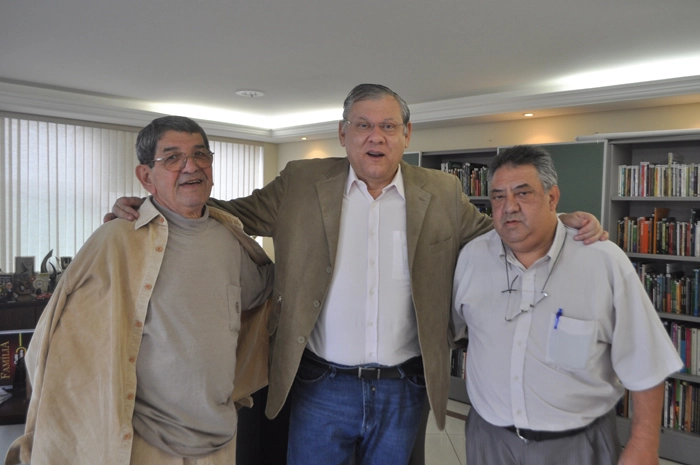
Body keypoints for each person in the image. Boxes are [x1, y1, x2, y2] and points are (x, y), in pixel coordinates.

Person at [107, 84, 605, 465]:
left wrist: (560, 220)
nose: (376, 137)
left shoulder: (443, 190)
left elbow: (499, 230)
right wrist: (152, 203)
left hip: (404, 387)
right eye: (363, 125)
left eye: (389, 127)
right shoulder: (303, 181)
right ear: (343, 134)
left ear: (406, 135)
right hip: (321, 384)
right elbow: (229, 212)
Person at [5, 116, 274, 465]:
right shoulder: (115, 239)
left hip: (219, 437)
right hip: (141, 441)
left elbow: (260, 302)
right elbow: (52, 344)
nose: (190, 166)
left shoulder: (231, 239)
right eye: (173, 157)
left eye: (200, 154)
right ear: (146, 177)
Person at [452, 145, 683, 465]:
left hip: (577, 445)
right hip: (488, 441)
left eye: (523, 193)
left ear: (552, 197)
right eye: (498, 196)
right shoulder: (472, 258)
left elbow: (646, 359)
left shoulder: (602, 261)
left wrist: (644, 443)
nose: (509, 207)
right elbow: (452, 328)